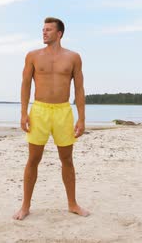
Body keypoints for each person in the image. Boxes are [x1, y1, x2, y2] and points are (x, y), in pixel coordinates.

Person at [13, 17, 89, 220]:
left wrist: (81, 118)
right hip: (39, 111)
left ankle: (72, 204)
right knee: (33, 159)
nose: (44, 32)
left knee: (67, 159)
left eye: (48, 30)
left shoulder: (73, 57)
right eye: (43, 29)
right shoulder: (33, 56)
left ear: (59, 33)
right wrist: (23, 113)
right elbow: (25, 84)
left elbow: (79, 89)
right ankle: (25, 206)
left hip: (63, 111)